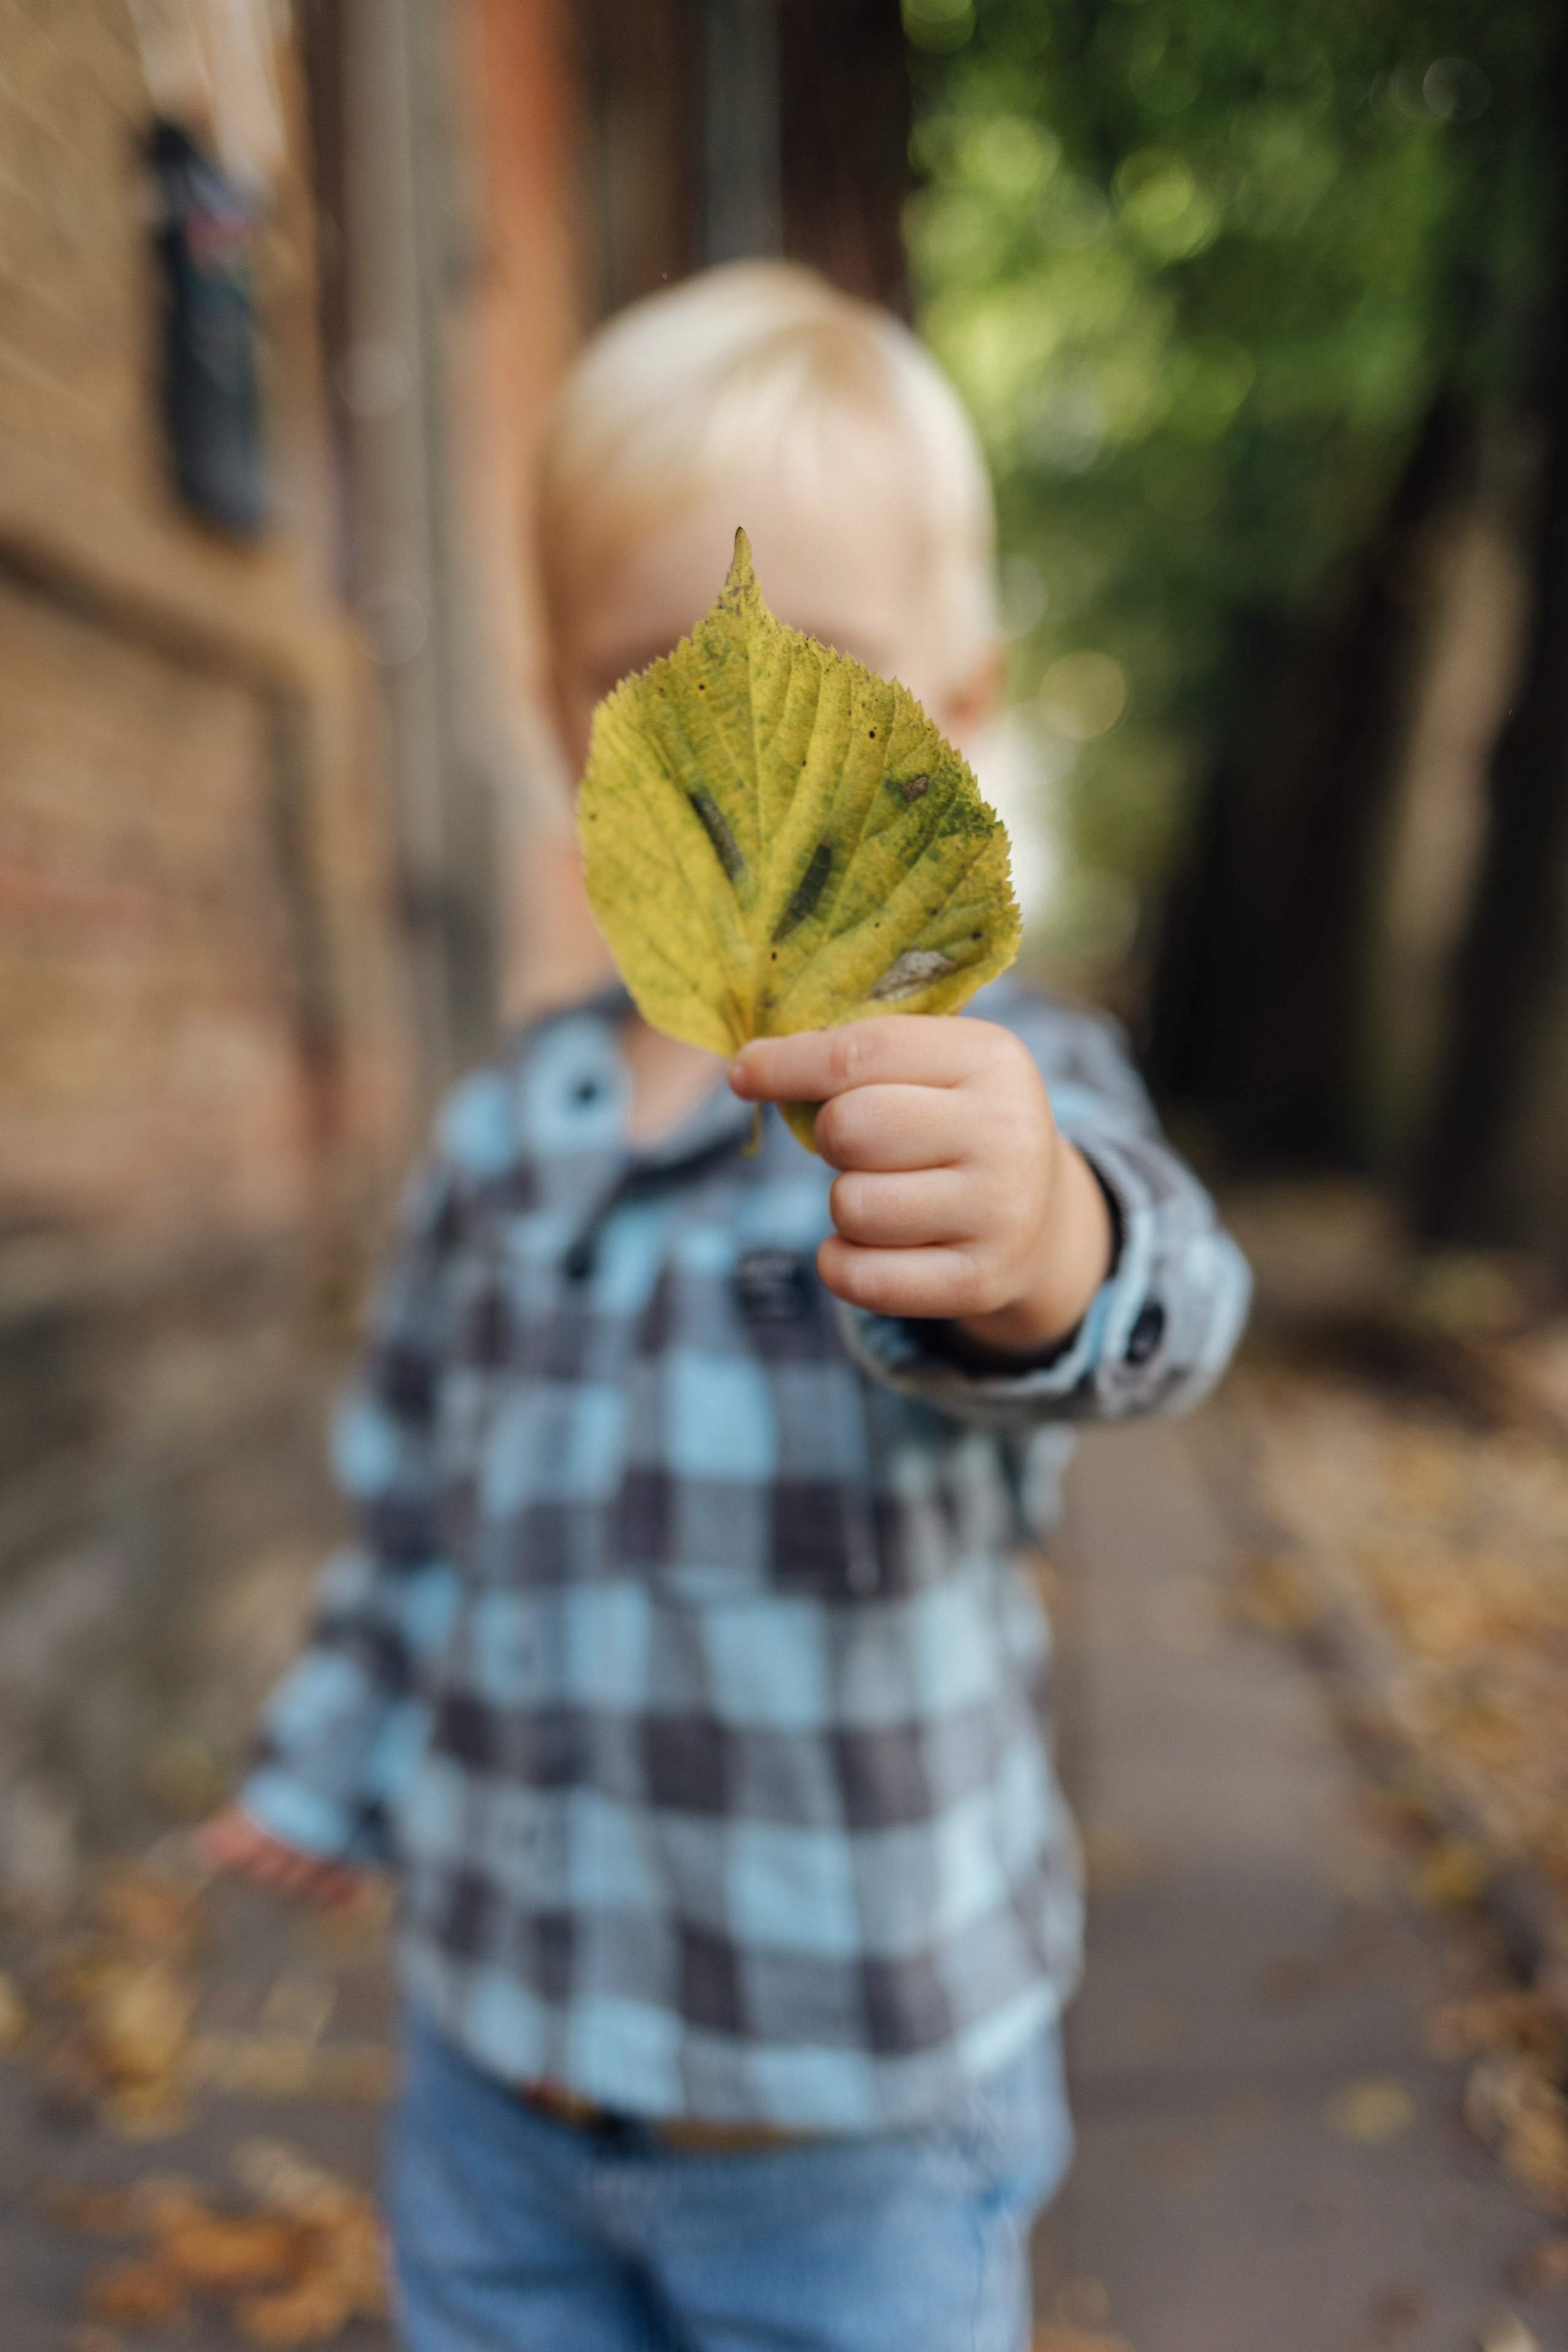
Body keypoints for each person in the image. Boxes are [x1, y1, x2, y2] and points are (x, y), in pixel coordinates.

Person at [202, 262, 1251, 2351]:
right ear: (556, 724)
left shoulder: (988, 1082)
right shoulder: (508, 1127)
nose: (738, 752)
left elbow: (1167, 1299)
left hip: (851, 2119)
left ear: (957, 704)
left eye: (824, 680)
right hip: (503, 2069)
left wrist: (1039, 1240)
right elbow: (420, 1496)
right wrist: (328, 1765)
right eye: (643, 685)